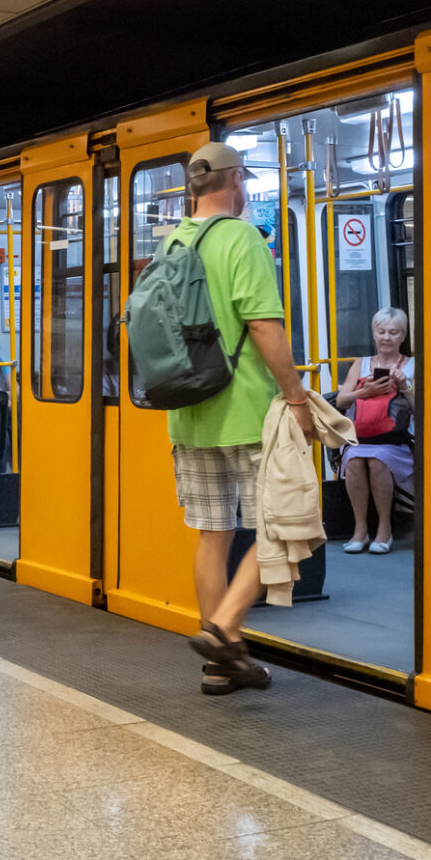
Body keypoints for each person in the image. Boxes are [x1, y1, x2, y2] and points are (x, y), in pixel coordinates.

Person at [161, 143, 318, 696]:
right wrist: (297, 399)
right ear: (236, 184)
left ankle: (218, 664)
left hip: (188, 411)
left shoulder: (172, 242)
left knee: (213, 534)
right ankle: (225, 630)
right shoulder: (241, 237)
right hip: (247, 410)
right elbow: (263, 327)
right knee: (280, 524)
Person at [328, 307, 414, 555]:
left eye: (393, 332)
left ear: (403, 336)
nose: (387, 337)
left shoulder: (412, 365)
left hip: (395, 441)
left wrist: (404, 386)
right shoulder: (361, 364)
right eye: (382, 332)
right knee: (354, 460)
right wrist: (363, 393)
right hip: (362, 437)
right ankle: (360, 530)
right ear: (374, 335)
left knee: (378, 461)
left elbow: (420, 410)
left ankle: (384, 529)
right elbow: (342, 402)